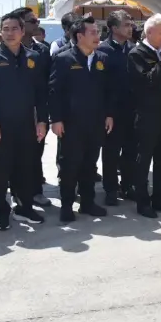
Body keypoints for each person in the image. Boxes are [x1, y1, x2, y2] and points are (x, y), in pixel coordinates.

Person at [0, 12, 48, 230]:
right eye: (5, 29)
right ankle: (1, 212)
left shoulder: (32, 57)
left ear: (23, 31)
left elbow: (41, 93)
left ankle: (25, 208)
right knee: (1, 172)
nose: (10, 33)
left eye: (14, 29)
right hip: (0, 127)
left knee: (25, 169)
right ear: (0, 31)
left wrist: (42, 121)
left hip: (26, 125)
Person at [50, 16, 114, 221]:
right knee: (70, 165)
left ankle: (87, 202)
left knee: (90, 165)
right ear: (79, 36)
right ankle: (67, 205)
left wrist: (109, 115)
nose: (98, 36)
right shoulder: (64, 58)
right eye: (93, 32)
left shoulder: (102, 59)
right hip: (71, 124)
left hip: (95, 123)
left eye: (98, 32)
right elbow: (54, 91)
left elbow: (108, 92)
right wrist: (56, 119)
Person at [128, 13, 161, 218]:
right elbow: (146, 82)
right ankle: (142, 200)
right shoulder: (137, 54)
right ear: (149, 32)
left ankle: (159, 198)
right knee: (144, 159)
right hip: (146, 115)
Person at [12, 8, 53, 207]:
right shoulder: (4, 51)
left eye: (36, 20)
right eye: (32, 21)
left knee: (36, 153)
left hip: (37, 112)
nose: (37, 24)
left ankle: (36, 190)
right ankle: (17, 192)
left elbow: (48, 83)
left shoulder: (42, 50)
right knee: (16, 155)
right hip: (14, 113)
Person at [97, 11, 136, 205]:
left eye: (131, 24)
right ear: (113, 28)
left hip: (131, 110)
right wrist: (107, 113)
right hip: (111, 112)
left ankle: (128, 185)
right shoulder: (102, 51)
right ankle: (111, 188)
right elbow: (100, 86)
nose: (131, 28)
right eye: (126, 24)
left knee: (130, 151)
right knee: (111, 152)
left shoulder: (133, 49)